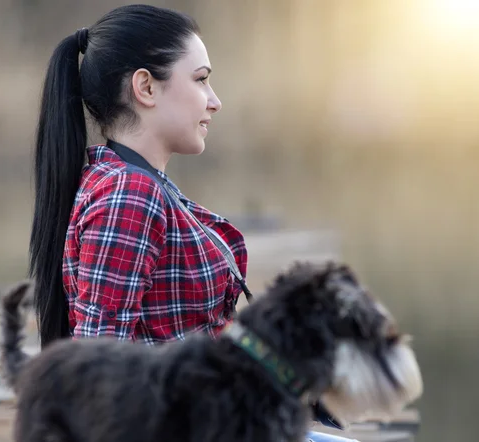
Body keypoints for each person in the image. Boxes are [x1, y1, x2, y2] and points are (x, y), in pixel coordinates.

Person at [28, 4, 358, 442]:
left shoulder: (133, 182)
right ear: (145, 86)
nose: (215, 101)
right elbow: (99, 375)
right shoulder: (129, 196)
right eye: (201, 79)